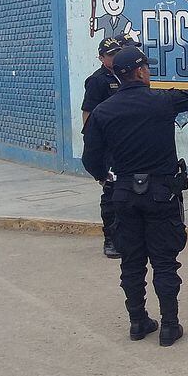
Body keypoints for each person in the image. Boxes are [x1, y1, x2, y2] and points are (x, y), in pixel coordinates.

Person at [82, 47, 188, 347]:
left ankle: (137, 321)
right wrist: (158, 93)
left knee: (131, 262)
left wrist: (103, 177)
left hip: (123, 193)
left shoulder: (103, 111)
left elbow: (90, 158)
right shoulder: (162, 101)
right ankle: (169, 326)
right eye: (146, 68)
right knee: (164, 262)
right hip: (161, 193)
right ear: (140, 71)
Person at [82, 37, 124, 258]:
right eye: (110, 54)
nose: (115, 57)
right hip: (108, 145)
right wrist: (92, 143)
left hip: (127, 142)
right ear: (101, 58)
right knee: (111, 192)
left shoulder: (126, 74)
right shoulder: (97, 81)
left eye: (118, 52)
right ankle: (111, 240)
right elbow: (88, 113)